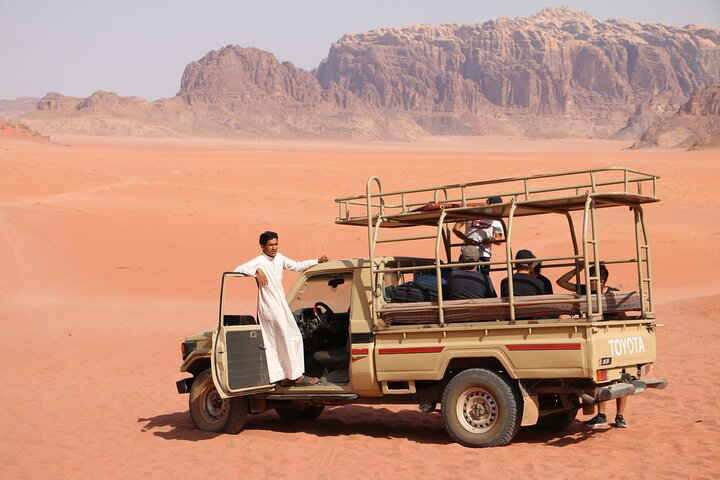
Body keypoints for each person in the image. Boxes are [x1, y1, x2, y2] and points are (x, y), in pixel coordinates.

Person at [234, 231, 329, 387]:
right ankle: (296, 376)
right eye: (270, 245)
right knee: (281, 339)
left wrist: (317, 261)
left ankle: (287, 375)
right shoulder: (259, 261)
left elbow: (297, 266)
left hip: (281, 304)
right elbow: (238, 270)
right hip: (269, 307)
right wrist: (256, 271)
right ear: (263, 246)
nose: (274, 248)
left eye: (276, 244)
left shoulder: (279, 258)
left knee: (293, 337)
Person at [556, 261, 627, 428]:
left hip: (611, 338)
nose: (589, 282)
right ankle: (601, 415)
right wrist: (578, 268)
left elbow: (622, 316)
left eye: (592, 279)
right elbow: (561, 282)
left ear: (602, 281)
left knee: (621, 378)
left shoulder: (613, 294)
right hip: (597, 339)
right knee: (603, 379)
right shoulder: (586, 290)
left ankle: (620, 417)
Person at [452, 196, 505, 272]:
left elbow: (499, 239)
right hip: (467, 253)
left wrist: (490, 239)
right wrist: (466, 240)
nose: (496, 209)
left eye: (498, 207)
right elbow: (456, 228)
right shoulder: (471, 213)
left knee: (482, 280)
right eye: (494, 207)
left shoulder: (497, 220)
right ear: (487, 203)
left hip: (483, 255)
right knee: (463, 278)